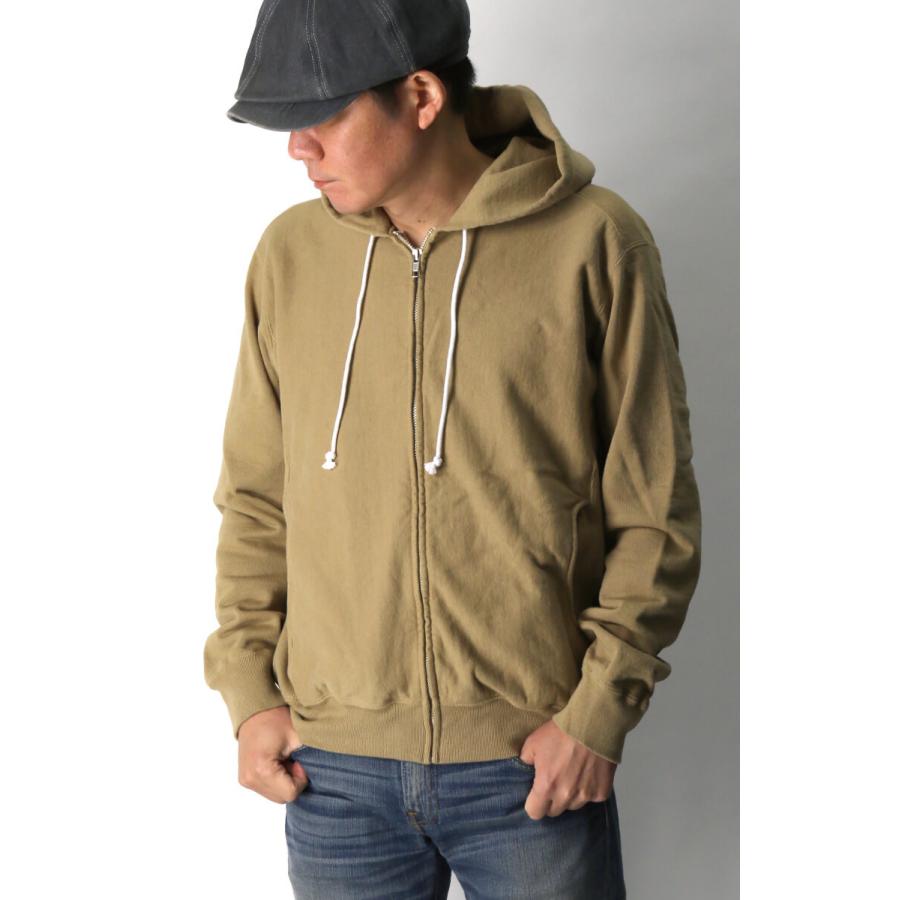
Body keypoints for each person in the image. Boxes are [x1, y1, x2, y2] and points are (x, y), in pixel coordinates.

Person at [204, 1, 701, 897]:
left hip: (530, 766)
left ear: (422, 96)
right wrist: (249, 692)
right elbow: (256, 500)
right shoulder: (290, 257)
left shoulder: (594, 243)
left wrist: (597, 714)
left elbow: (654, 506)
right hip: (332, 771)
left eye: (321, 117)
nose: (297, 149)